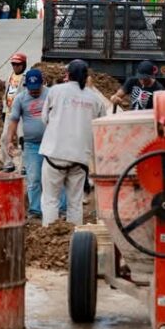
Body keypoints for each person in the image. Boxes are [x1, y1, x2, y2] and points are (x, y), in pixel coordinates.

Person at [39, 59, 107, 226]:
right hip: (80, 158)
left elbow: (44, 119)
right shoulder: (95, 99)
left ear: (67, 74)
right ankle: (74, 237)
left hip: (54, 154)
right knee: (75, 203)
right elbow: (102, 128)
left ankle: (49, 233)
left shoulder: (56, 91)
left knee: (50, 199)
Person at [7, 68, 66, 219]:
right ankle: (35, 210)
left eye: (37, 89)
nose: (34, 92)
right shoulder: (20, 99)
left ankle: (62, 208)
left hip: (53, 143)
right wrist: (9, 141)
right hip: (32, 145)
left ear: (42, 83)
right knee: (34, 178)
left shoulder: (51, 94)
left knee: (58, 176)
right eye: (31, 89)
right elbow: (13, 120)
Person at [1, 52, 27, 173]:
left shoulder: (26, 78)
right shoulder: (10, 77)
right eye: (14, 64)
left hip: (21, 115)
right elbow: (7, 95)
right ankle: (8, 163)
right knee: (5, 138)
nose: (15, 67)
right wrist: (4, 110)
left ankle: (24, 165)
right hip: (9, 113)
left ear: (23, 65)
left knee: (22, 139)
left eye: (18, 64)